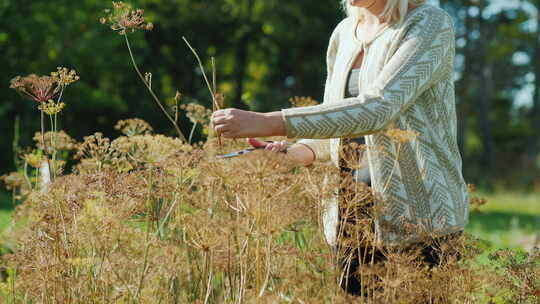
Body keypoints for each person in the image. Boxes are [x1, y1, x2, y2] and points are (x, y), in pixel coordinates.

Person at [211, 0, 469, 296]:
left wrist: (269, 121)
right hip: (349, 218)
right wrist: (297, 151)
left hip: (421, 220)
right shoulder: (345, 32)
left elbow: (378, 108)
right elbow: (337, 118)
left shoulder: (429, 23)